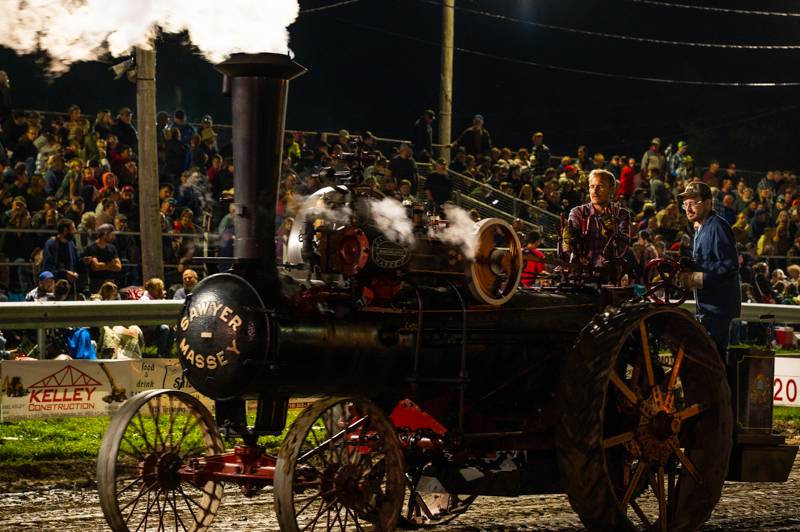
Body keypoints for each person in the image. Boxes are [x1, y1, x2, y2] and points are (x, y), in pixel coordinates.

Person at [677, 181, 741, 363]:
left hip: (720, 315)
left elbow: (729, 267)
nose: (687, 208)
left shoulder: (717, 226)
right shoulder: (700, 229)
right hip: (708, 312)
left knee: (718, 366)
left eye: (692, 202)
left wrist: (694, 278)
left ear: (707, 203)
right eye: (685, 203)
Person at [561, 169, 631, 276]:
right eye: (592, 186)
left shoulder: (621, 214)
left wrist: (613, 232)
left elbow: (623, 247)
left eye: (600, 186)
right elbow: (569, 243)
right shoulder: (577, 212)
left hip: (609, 275)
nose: (595, 191)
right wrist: (568, 239)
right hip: (581, 274)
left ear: (611, 190)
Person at [82, 223, 122, 293]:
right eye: (111, 234)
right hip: (96, 283)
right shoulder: (92, 248)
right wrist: (111, 264)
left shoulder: (112, 248)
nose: (113, 237)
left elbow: (118, 267)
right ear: (105, 234)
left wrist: (103, 266)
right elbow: (96, 266)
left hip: (111, 282)